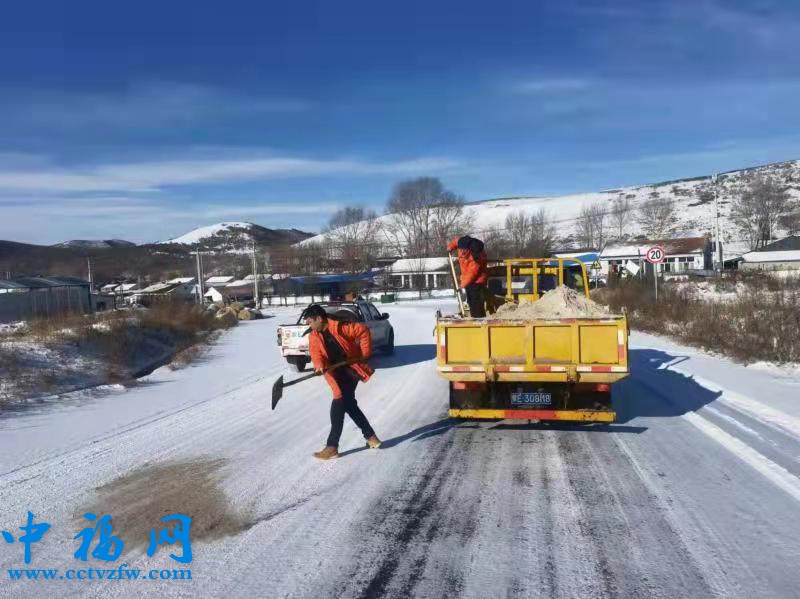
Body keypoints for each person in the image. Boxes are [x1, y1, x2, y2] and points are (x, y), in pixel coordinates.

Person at [303, 304, 381, 460]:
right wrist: (318, 366)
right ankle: (371, 437)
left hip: (351, 368)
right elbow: (315, 353)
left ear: (319, 319)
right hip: (335, 372)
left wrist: (365, 354)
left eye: (310, 321)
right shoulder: (314, 335)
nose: (309, 325)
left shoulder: (340, 327)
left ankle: (332, 446)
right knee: (349, 405)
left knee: (338, 403)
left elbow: (363, 331)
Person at [447, 235, 489, 317]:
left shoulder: (476, 256)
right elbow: (455, 241)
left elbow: (472, 273)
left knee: (475, 301)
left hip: (477, 280)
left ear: (468, 249)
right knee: (470, 300)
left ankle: (478, 318)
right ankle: (474, 316)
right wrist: (450, 247)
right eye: (460, 249)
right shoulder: (461, 242)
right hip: (468, 278)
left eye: (463, 250)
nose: (461, 252)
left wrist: (462, 285)